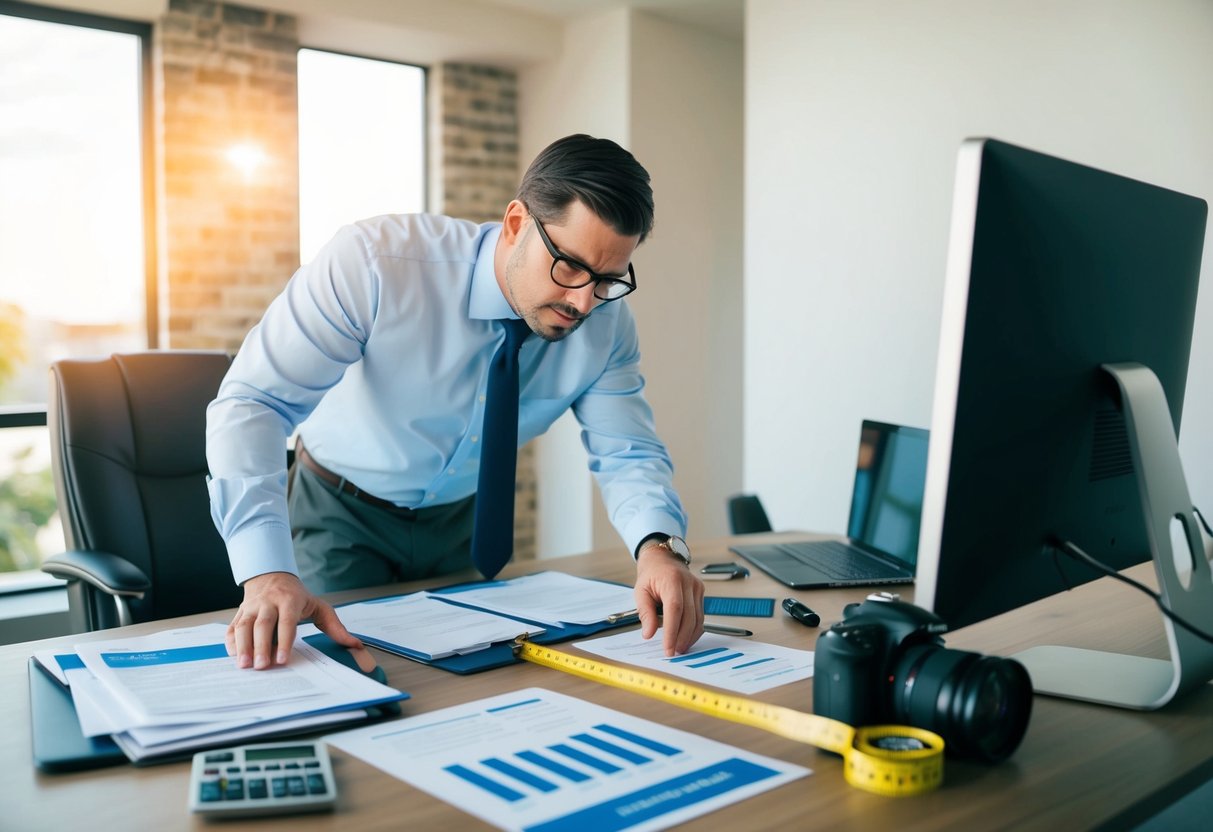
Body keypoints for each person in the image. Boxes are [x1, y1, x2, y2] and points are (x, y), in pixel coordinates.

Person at [206, 134, 705, 671]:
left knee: (466, 680)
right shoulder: (376, 264)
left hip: (465, 525)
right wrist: (267, 573)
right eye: (570, 266)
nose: (583, 301)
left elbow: (626, 448)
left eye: (607, 279)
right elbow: (254, 403)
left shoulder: (606, 326)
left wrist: (659, 547)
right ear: (517, 223)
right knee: (340, 679)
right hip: (341, 514)